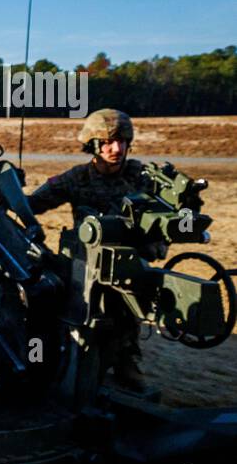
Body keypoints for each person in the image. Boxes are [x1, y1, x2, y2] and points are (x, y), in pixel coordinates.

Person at [28, 108, 151, 391]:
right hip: (84, 264)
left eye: (122, 142)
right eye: (107, 142)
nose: (116, 149)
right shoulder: (78, 178)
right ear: (93, 145)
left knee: (125, 315)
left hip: (126, 263)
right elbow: (34, 203)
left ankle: (127, 362)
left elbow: (166, 215)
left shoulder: (141, 177)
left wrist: (153, 245)